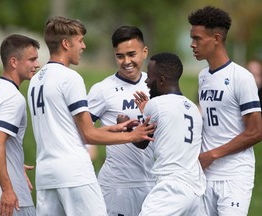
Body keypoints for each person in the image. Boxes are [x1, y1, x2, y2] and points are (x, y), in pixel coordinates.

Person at [27, 16, 155, 216]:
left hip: (46, 174)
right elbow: (88, 135)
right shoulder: (71, 78)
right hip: (75, 173)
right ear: (66, 44)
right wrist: (132, 135)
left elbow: (68, 129)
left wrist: (111, 128)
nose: (83, 46)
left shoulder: (36, 80)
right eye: (80, 41)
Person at [188, 6, 262, 215]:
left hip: (235, 176)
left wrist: (213, 154)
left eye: (197, 38)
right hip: (206, 174)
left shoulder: (242, 77)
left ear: (217, 39)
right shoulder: (203, 77)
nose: (192, 44)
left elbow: (256, 132)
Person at [87, 26, 156, 216]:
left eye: (131, 54)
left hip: (152, 181)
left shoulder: (157, 85)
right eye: (120, 56)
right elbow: (81, 131)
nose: (126, 61)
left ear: (144, 52)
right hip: (117, 185)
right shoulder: (102, 89)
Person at [0, 34, 40, 216]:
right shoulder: (13, 97)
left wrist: (15, 163)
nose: (37, 64)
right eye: (32, 59)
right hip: (7, 196)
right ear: (13, 62)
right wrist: (8, 189)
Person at [133, 52, 206, 215]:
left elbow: (141, 141)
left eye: (149, 76)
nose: (146, 81)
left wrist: (124, 126)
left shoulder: (156, 104)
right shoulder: (193, 108)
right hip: (195, 189)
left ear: (161, 80)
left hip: (171, 187)